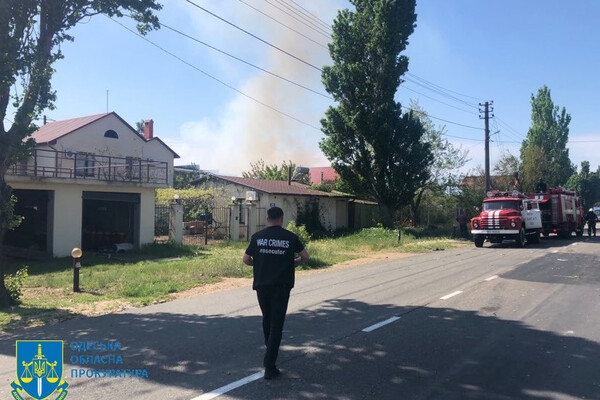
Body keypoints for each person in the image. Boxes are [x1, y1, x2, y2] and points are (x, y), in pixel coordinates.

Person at [243, 206, 310, 380]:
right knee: (277, 324)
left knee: (267, 319)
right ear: (281, 219)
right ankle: (270, 365)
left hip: (262, 285)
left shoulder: (257, 237)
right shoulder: (290, 237)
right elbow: (305, 256)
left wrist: (260, 263)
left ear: (267, 219)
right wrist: (294, 263)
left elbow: (246, 259)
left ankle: (269, 349)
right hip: (281, 286)